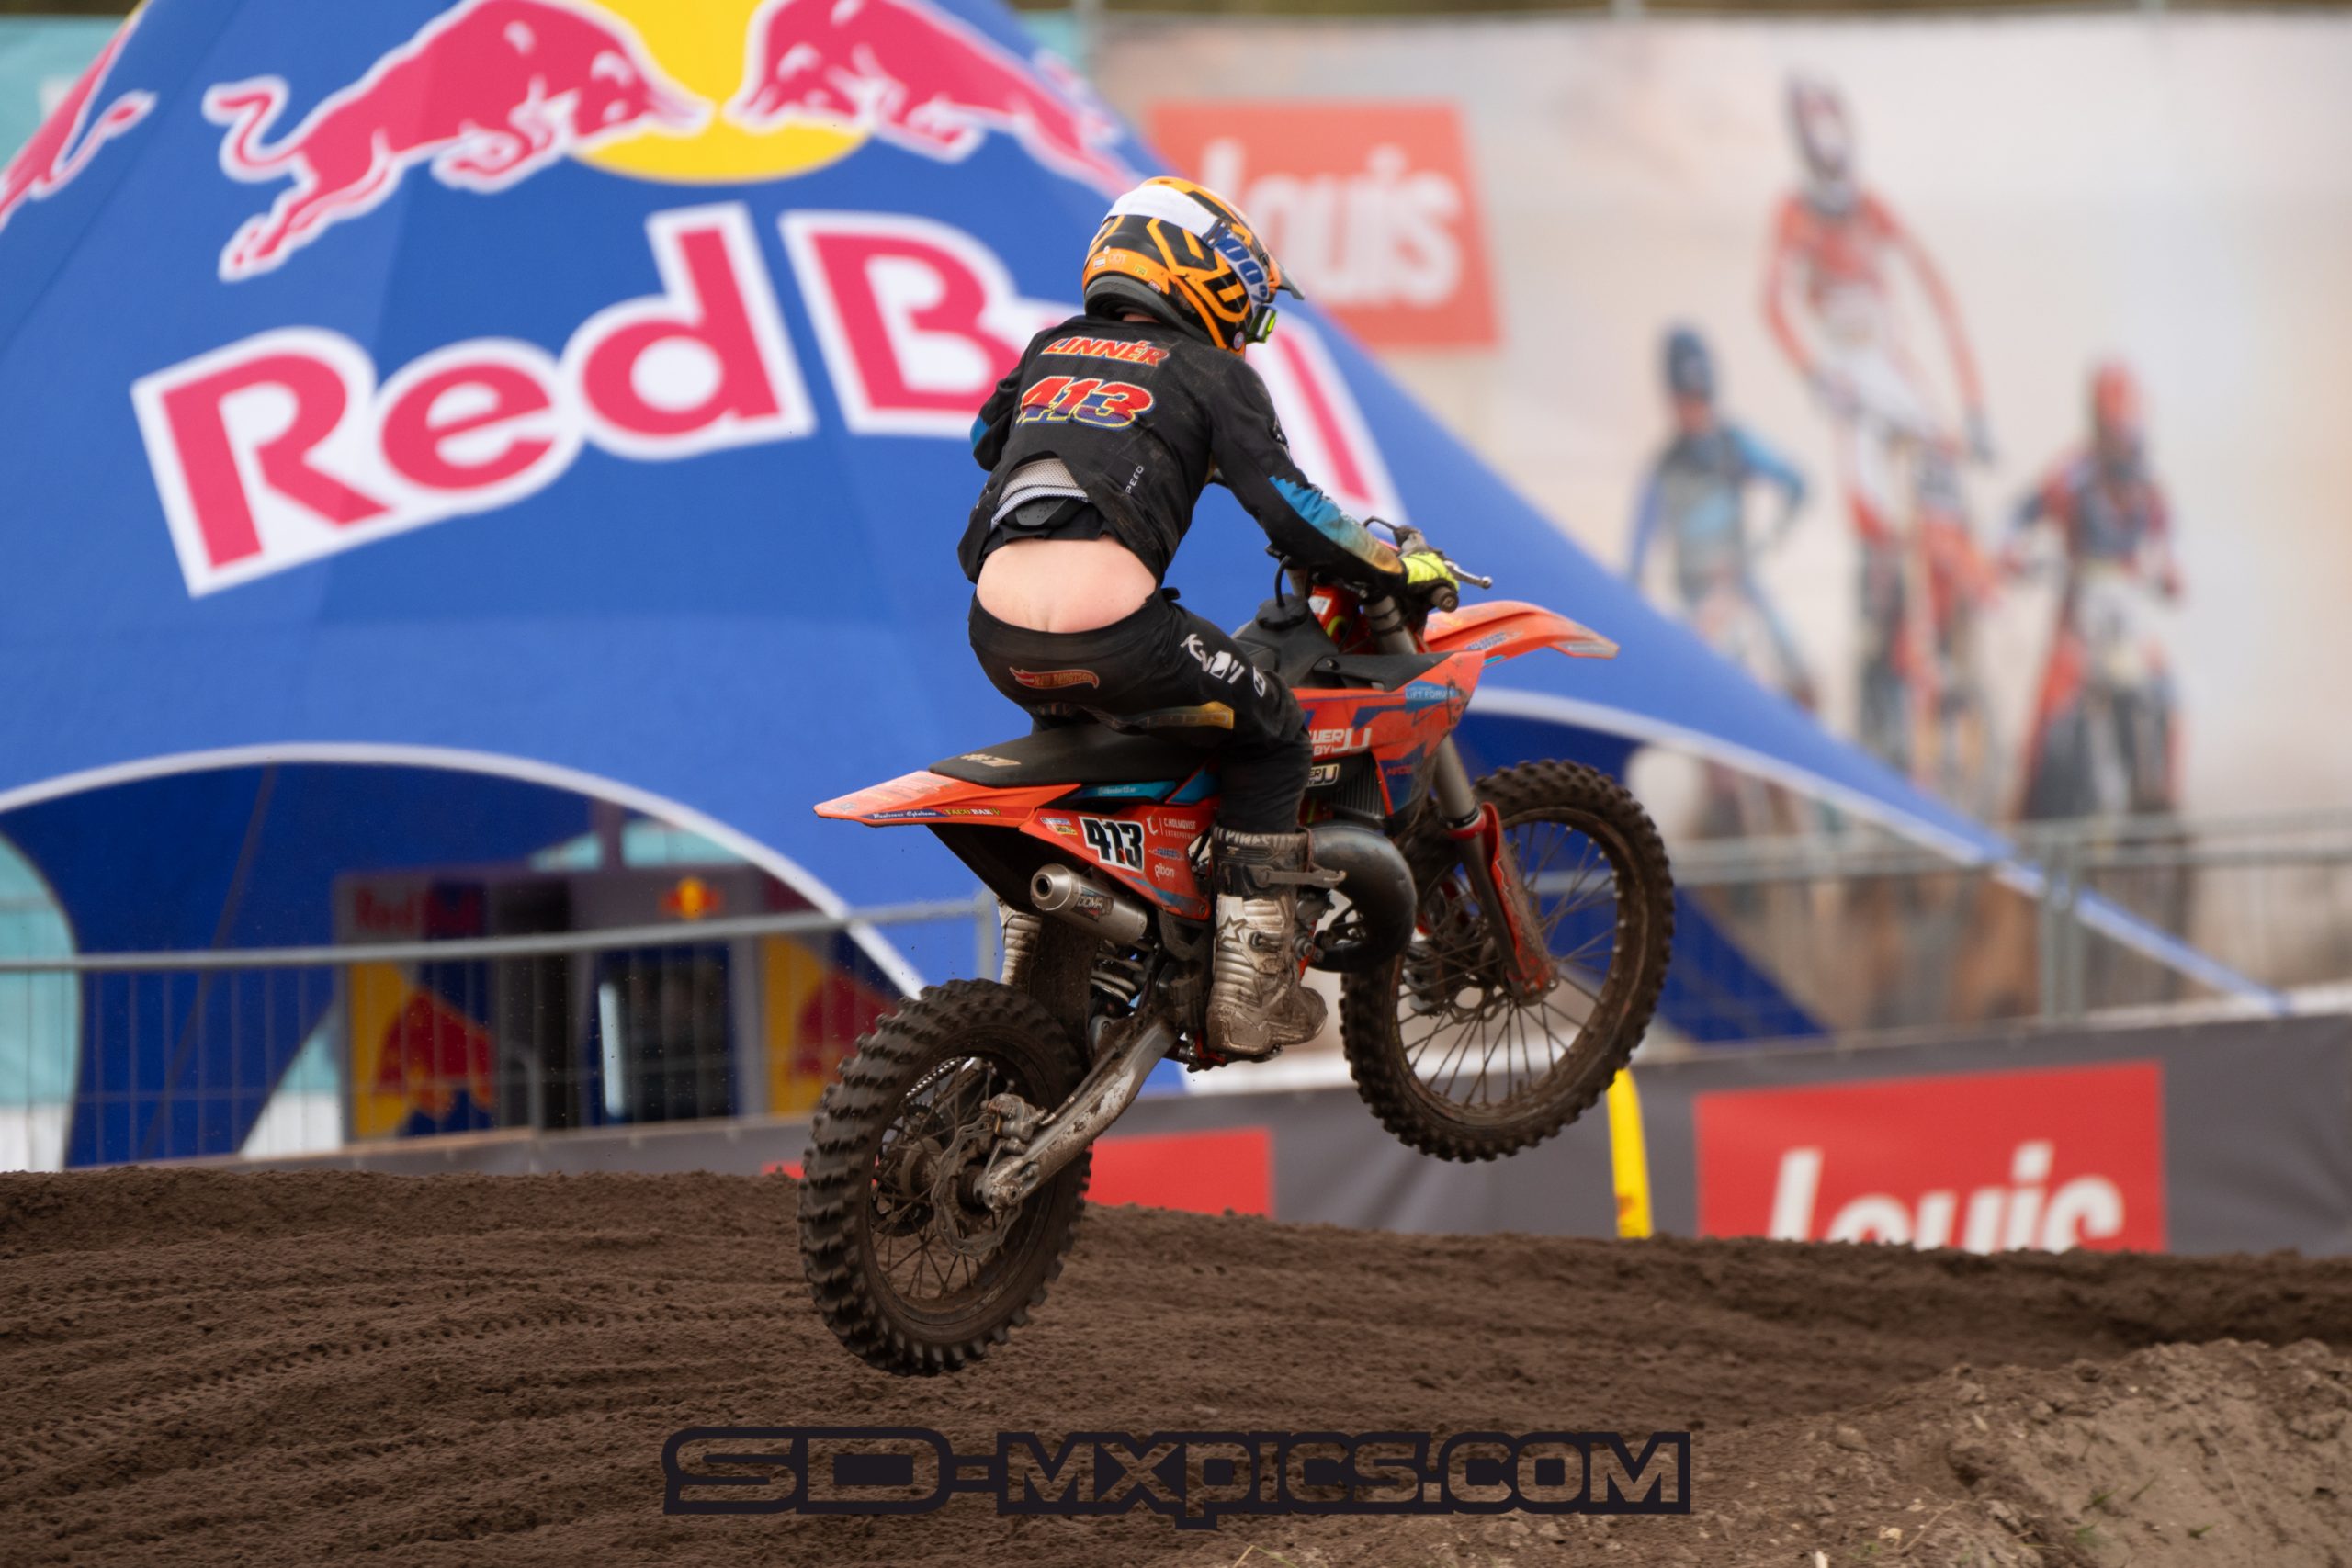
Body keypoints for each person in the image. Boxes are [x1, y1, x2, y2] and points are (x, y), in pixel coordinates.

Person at [960, 175, 1457, 1061]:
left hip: (997, 638)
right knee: (1275, 730)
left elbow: (986, 441)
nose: (1245, 331)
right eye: (1245, 308)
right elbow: (1297, 515)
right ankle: (1245, 991)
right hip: (1116, 635)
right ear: (1204, 279)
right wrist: (1393, 564)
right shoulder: (1214, 374)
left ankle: (1045, 958)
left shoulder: (1050, 348)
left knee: (1089, 752)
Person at [2004, 361, 2181, 818]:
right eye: (2112, 425)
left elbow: (2166, 540)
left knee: (2167, 695)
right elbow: (2019, 514)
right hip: (2079, 611)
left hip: (2127, 612)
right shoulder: (2073, 471)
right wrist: (2012, 552)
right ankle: (2028, 817)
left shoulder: (2146, 479)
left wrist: (2169, 573)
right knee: (2048, 714)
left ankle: (2160, 802)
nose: (2121, 439)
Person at [1627, 326, 1813, 709]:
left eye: (1701, 398)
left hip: (1741, 588)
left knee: (1795, 674)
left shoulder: (1734, 445)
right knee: (1697, 688)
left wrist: (1766, 541)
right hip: (1694, 600)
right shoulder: (1665, 467)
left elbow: (1795, 483)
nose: (1696, 409)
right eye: (1686, 400)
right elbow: (1636, 554)